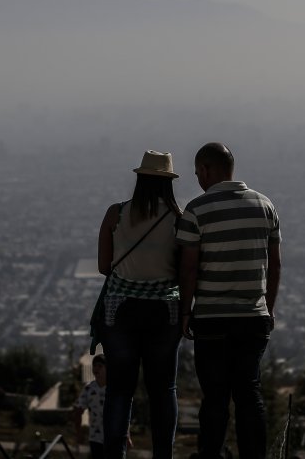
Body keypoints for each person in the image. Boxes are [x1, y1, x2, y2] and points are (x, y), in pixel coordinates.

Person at [176, 142, 282, 459]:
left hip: (210, 319)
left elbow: (189, 267)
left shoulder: (196, 210)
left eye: (197, 173)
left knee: (215, 397)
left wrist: (185, 312)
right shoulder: (265, 205)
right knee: (248, 392)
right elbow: (275, 264)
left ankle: (211, 455)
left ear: (207, 170)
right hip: (254, 317)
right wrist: (268, 308)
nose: (198, 179)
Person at [97, 150, 183, 459]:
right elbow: (184, 271)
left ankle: (113, 454)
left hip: (120, 309)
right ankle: (163, 455)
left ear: (139, 179)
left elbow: (104, 266)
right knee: (163, 390)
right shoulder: (179, 219)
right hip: (165, 310)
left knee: (120, 390)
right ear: (168, 183)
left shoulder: (116, 214)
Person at [74, 355, 108, 459]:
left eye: (100, 366)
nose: (96, 368)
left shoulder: (114, 388)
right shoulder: (89, 388)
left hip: (114, 437)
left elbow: (123, 413)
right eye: (94, 366)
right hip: (95, 438)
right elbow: (78, 410)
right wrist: (79, 432)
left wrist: (127, 435)